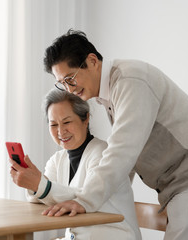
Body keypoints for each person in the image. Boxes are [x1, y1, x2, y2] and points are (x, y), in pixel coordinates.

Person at [42, 29, 188, 240]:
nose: (69, 89)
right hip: (181, 179)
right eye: (62, 83)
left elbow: (123, 150)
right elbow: (128, 153)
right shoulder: (109, 91)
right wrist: (111, 196)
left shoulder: (129, 81)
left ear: (92, 61)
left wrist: (85, 201)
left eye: (71, 78)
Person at [9, 89, 141, 240]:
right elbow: (44, 198)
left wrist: (40, 184)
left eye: (66, 122)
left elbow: (87, 198)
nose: (60, 131)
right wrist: (32, 183)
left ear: (86, 119)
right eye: (53, 125)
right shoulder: (57, 159)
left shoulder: (104, 154)